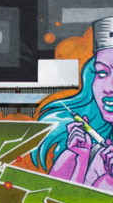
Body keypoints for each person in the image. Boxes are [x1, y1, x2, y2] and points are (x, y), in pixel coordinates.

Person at [36, 16, 113, 191]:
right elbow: (45, 202)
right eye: (102, 73)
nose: (109, 88)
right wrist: (80, 158)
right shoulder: (80, 153)